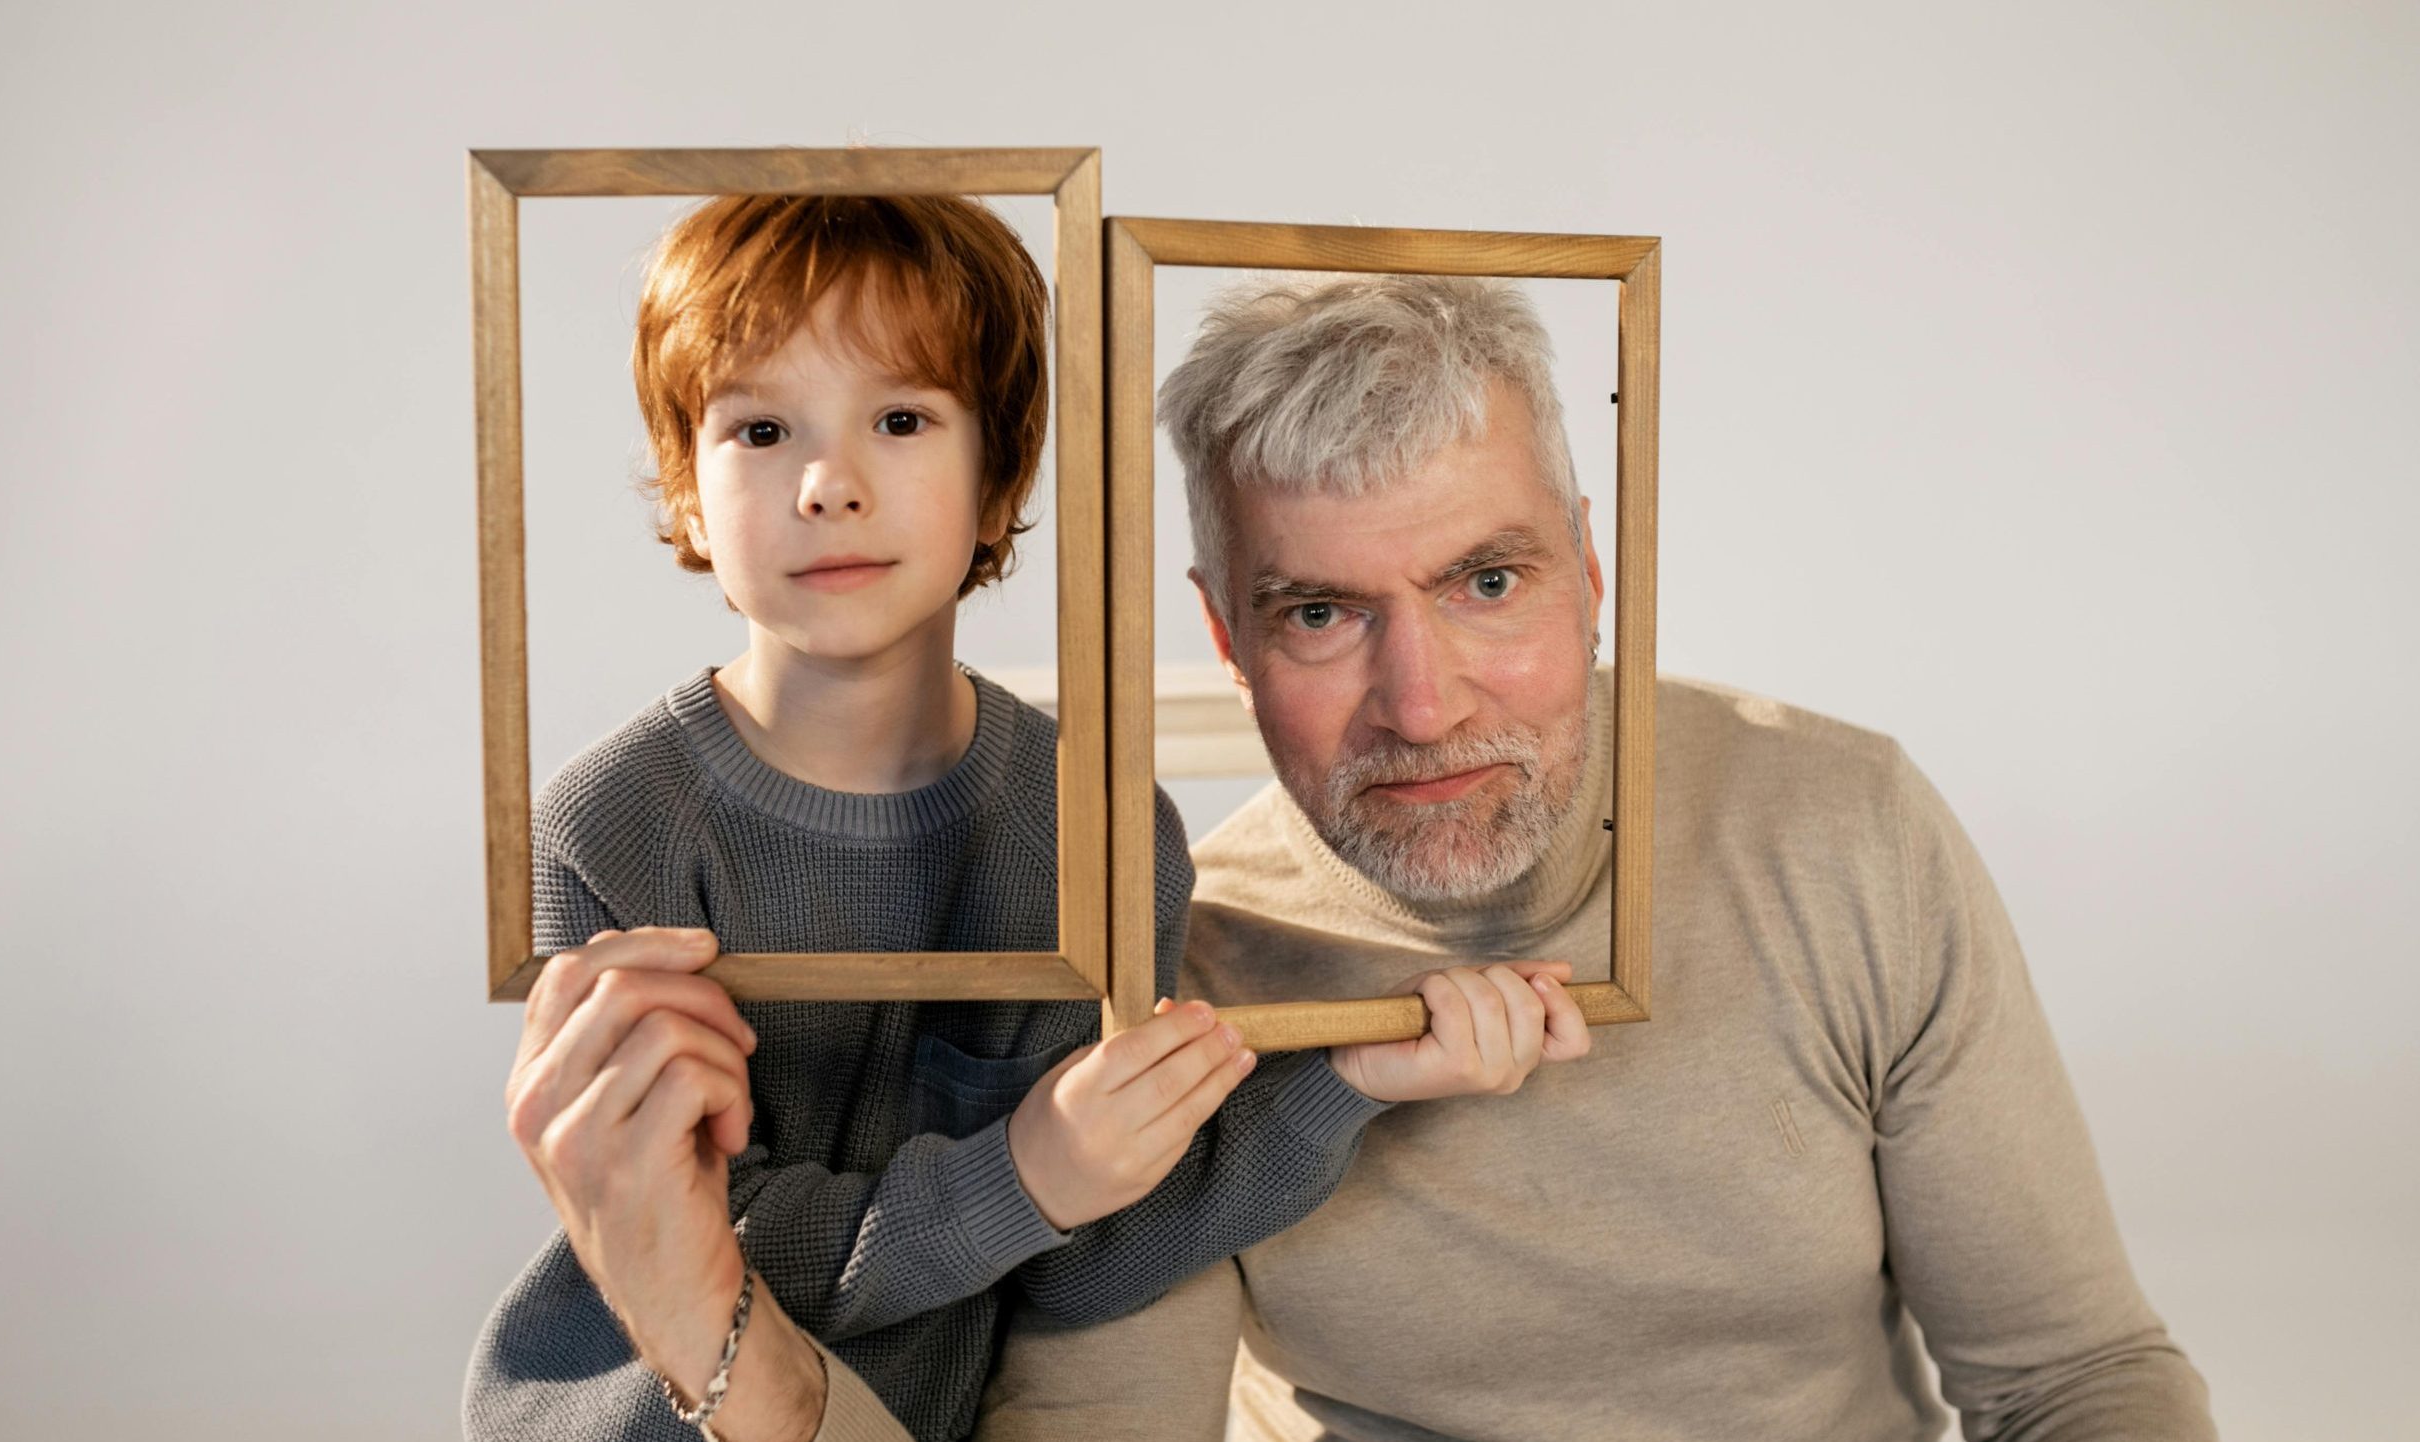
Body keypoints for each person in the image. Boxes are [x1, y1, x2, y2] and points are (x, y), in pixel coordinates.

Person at [969, 272, 2218, 1440]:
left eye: (1489, 581)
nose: (1422, 705)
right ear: (1223, 632)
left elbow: (2072, 1379)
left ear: (1589, 565)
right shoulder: (1177, 969)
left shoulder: (1843, 825)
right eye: (1319, 613)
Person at [463, 202, 1591, 1442]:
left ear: (998, 478)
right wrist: (1028, 1172)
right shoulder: (607, 823)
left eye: (900, 420)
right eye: (760, 428)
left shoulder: (1093, 826)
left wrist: (1347, 1082)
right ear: (686, 488)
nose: (828, 484)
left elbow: (1083, 1268)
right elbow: (682, 1247)